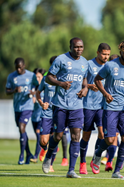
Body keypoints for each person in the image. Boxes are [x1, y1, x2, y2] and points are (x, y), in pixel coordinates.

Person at [90, 37, 124, 179]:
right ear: (121, 51)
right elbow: (97, 79)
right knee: (110, 140)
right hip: (111, 108)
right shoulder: (110, 66)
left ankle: (117, 172)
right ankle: (97, 154)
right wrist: (105, 93)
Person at [42, 37, 88, 178]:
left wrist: (85, 88)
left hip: (77, 105)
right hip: (60, 104)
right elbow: (48, 77)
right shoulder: (61, 59)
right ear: (70, 47)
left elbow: (84, 79)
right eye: (75, 47)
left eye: (81, 47)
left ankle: (71, 170)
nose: (78, 49)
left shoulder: (85, 62)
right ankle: (49, 156)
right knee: (58, 135)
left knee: (76, 135)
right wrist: (60, 83)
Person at [79, 43, 111, 174]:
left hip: (103, 106)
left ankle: (95, 159)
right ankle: (82, 163)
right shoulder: (88, 64)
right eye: (104, 54)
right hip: (88, 105)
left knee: (103, 134)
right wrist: (89, 86)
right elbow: (81, 80)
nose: (106, 57)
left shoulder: (109, 66)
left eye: (108, 55)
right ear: (98, 52)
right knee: (86, 135)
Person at [5, 57, 39, 165]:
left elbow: (38, 86)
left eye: (20, 67)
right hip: (17, 107)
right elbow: (7, 91)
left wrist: (33, 92)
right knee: (21, 130)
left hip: (28, 106)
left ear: (24, 65)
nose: (18, 70)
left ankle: (21, 156)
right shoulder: (11, 76)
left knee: (22, 127)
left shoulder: (31, 76)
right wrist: (14, 90)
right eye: (16, 68)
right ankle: (28, 153)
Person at [36, 57, 57, 172]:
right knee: (43, 141)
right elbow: (38, 93)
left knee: (56, 138)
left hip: (59, 112)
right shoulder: (45, 78)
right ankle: (45, 149)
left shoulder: (63, 79)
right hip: (47, 113)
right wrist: (41, 103)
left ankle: (50, 163)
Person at [101, 54, 121, 166]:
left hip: (120, 109)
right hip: (105, 108)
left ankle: (109, 159)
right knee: (106, 136)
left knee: (115, 135)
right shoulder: (105, 72)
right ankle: (99, 154)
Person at [30, 68, 46, 163]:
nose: (37, 79)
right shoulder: (33, 87)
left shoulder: (45, 87)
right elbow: (32, 101)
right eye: (36, 77)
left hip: (42, 116)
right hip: (34, 116)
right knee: (38, 137)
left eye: (39, 77)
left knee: (38, 134)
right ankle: (45, 146)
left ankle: (35, 156)